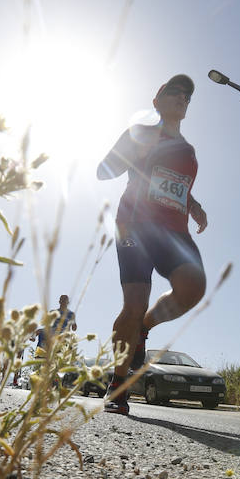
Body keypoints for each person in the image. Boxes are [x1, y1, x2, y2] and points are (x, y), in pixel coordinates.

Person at [96, 74, 208, 415]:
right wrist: (128, 148)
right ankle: (118, 383)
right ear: (156, 102)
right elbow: (104, 170)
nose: (182, 98)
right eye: (174, 92)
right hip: (136, 226)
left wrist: (194, 205)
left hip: (174, 231)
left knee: (193, 287)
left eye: (187, 97)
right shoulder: (142, 133)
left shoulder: (187, 150)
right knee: (133, 303)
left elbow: (175, 185)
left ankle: (145, 328)